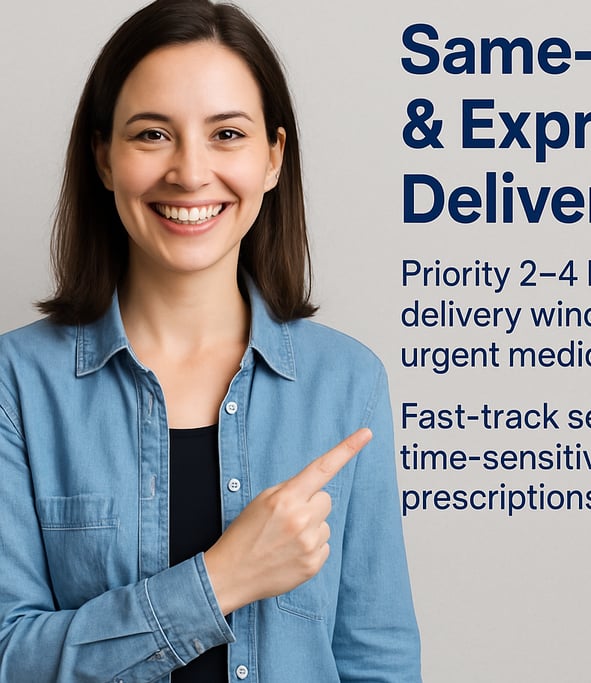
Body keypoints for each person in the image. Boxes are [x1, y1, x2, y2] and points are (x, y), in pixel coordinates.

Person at [0, 1, 421, 681]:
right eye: (152, 135)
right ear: (103, 157)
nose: (191, 173)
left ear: (273, 158)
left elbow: (379, 660)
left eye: (227, 134)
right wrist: (218, 582)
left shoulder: (348, 382)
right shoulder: (15, 383)